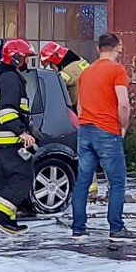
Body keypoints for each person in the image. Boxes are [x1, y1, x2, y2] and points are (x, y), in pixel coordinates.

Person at [70, 33, 136, 242]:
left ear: (99, 48)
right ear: (117, 47)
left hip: (85, 129)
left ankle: (78, 228)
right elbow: (123, 103)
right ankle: (116, 228)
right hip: (107, 130)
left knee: (83, 180)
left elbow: (80, 106)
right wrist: (123, 127)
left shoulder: (86, 72)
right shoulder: (117, 70)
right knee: (117, 181)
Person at [0, 38, 38, 235]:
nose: (28, 62)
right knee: (21, 178)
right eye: (26, 58)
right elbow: (7, 111)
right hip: (11, 140)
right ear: (16, 58)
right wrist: (22, 132)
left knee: (10, 180)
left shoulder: (7, 77)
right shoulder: (10, 79)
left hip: (6, 141)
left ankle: (8, 220)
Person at [39, 42, 100, 202]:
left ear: (56, 59)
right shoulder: (80, 62)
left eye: (50, 64)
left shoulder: (68, 72)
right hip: (93, 112)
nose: (51, 67)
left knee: (84, 151)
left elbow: (56, 85)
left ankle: (88, 191)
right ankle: (91, 190)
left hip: (83, 114)